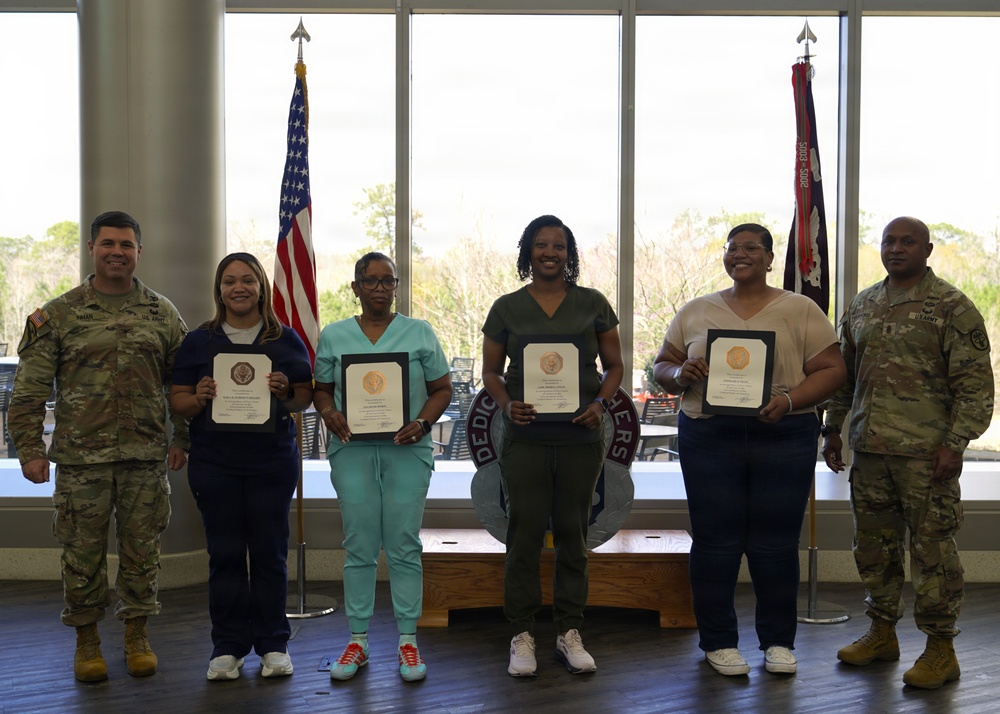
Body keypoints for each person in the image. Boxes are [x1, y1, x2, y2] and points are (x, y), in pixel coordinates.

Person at [652, 222, 845, 677]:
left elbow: (833, 369)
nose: (740, 254)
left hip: (784, 433)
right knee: (715, 544)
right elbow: (662, 365)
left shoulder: (800, 309)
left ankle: (777, 642)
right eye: (732, 247)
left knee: (775, 545)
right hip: (709, 435)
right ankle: (718, 643)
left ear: (770, 258)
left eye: (752, 247)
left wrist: (790, 400)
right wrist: (680, 376)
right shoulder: (696, 310)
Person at [8, 210, 190, 682]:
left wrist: (182, 438)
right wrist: (30, 448)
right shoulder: (60, 314)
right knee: (81, 554)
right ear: (91, 248)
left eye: (126, 245)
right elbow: (27, 392)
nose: (117, 252)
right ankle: (86, 640)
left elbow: (183, 386)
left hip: (145, 459)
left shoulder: (162, 313)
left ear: (138, 252)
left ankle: (136, 634)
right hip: (80, 461)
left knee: (141, 552)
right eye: (108, 243)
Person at [822, 216, 994, 690]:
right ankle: (881, 633)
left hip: (926, 457)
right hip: (870, 453)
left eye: (907, 242)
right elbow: (846, 378)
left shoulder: (951, 307)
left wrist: (955, 443)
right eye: (889, 241)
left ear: (928, 249)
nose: (896, 249)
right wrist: (832, 429)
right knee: (873, 548)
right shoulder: (863, 304)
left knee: (933, 552)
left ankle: (941, 649)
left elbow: (975, 388)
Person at [481, 214, 624, 677]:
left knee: (573, 535)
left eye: (559, 246)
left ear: (570, 253)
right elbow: (491, 373)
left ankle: (568, 631)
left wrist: (600, 405)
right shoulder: (505, 307)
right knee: (522, 534)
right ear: (528, 252)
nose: (550, 253)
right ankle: (521, 633)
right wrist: (506, 405)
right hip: (524, 439)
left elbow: (616, 366)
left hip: (580, 436)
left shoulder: (594, 303)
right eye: (541, 245)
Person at [168, 252, 314, 681]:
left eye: (247, 280)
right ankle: (227, 648)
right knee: (225, 555)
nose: (239, 288)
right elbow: (178, 401)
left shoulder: (284, 339)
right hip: (216, 464)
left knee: (269, 554)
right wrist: (199, 396)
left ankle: (273, 644)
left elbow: (303, 398)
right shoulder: (198, 341)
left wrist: (286, 388)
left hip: (271, 463)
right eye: (229, 281)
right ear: (219, 290)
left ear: (261, 287)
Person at [313, 251, 452, 683]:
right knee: (359, 544)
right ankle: (358, 640)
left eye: (387, 281)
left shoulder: (420, 332)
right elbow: (321, 390)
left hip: (405, 450)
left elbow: (442, 388)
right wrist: (329, 412)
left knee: (403, 543)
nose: (379, 288)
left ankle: (408, 641)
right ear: (354, 287)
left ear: (397, 286)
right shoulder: (334, 335)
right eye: (370, 281)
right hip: (352, 450)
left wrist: (423, 422)